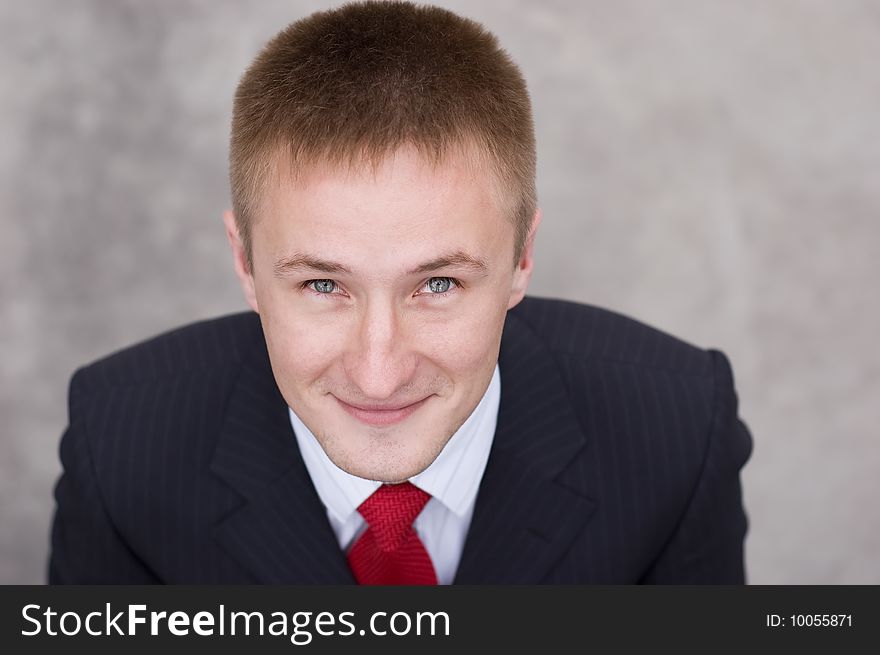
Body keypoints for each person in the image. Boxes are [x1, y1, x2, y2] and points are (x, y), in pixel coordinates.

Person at [49, 0, 752, 584]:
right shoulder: (119, 449)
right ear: (243, 262)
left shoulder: (679, 432)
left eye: (437, 283)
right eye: (323, 284)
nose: (378, 373)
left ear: (522, 259)